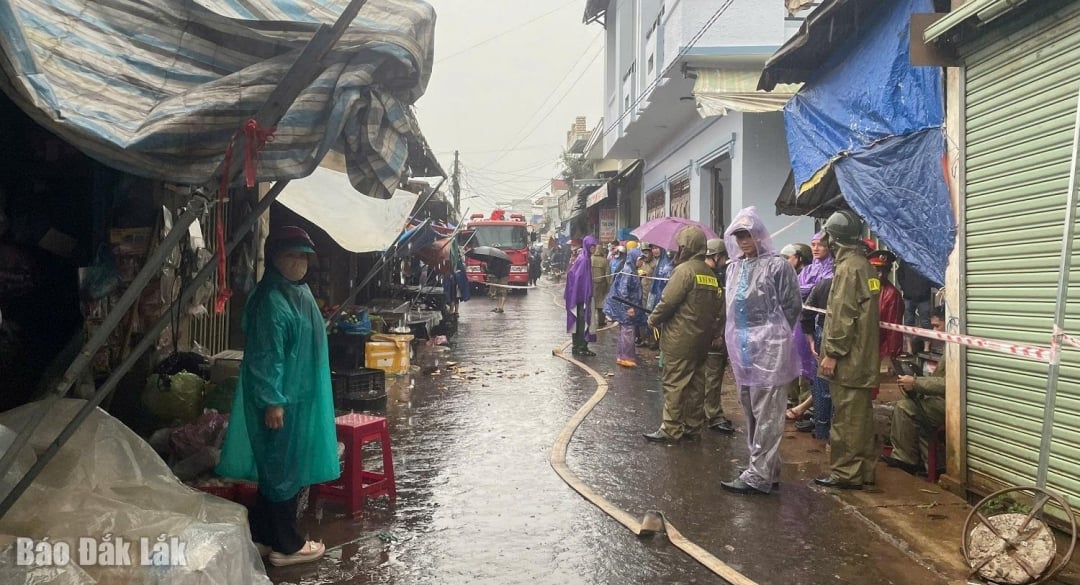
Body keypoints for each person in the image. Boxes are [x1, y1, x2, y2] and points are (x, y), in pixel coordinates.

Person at [217, 226, 338, 567]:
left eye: (304, 256)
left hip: (295, 398)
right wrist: (273, 400)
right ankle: (288, 545)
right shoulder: (272, 299)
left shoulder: (295, 291)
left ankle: (263, 536)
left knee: (279, 470)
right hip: (279, 402)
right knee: (282, 471)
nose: (299, 262)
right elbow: (267, 356)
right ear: (274, 258)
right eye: (292, 255)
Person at [718, 208, 801, 495]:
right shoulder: (733, 268)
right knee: (750, 409)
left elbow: (792, 306)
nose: (743, 240)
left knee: (768, 412)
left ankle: (758, 476)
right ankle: (767, 469)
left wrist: (774, 335)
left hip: (770, 348)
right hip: (742, 348)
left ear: (760, 234)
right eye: (738, 235)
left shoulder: (778, 266)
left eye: (748, 234)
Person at [814, 210, 881, 490]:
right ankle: (863, 471)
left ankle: (846, 474)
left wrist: (832, 352)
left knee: (846, 420)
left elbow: (842, 315)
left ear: (834, 238)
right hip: (864, 357)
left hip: (850, 359)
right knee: (861, 420)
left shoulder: (847, 268)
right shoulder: (865, 266)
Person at [642, 227, 720, 442]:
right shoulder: (710, 274)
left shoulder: (684, 271)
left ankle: (671, 429)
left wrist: (653, 319)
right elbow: (718, 308)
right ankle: (692, 428)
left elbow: (668, 302)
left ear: (687, 247)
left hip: (680, 339)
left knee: (675, 383)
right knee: (696, 385)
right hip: (701, 340)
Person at [883, 308, 947, 473]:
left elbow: (951, 384)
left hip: (948, 404)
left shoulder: (956, 350)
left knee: (905, 408)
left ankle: (906, 458)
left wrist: (917, 383)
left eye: (937, 326)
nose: (933, 331)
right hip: (940, 399)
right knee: (909, 403)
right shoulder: (949, 348)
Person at [703, 238, 734, 433]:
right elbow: (713, 310)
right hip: (714, 336)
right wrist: (717, 335)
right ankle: (713, 415)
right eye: (723, 257)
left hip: (702, 335)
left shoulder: (704, 273)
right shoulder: (711, 277)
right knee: (713, 376)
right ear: (717, 256)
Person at [800, 276, 834, 440]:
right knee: (830, 387)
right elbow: (806, 312)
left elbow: (806, 313)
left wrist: (811, 338)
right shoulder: (827, 285)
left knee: (822, 386)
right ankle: (831, 432)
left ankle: (822, 431)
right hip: (832, 336)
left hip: (822, 334)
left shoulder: (824, 284)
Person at [604, 248, 646, 367]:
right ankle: (626, 358)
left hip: (630, 306)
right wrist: (629, 307)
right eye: (640, 259)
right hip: (628, 307)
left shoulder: (632, 270)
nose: (641, 262)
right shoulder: (628, 271)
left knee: (626, 331)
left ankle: (623, 356)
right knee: (628, 332)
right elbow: (623, 290)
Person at [564, 235, 598, 356]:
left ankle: (579, 346)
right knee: (582, 321)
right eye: (592, 247)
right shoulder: (584, 260)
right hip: (581, 298)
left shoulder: (584, 258)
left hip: (579, 296)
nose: (594, 249)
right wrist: (583, 294)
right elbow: (578, 278)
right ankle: (580, 346)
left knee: (579, 321)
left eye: (595, 247)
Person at [897, 259, 935, 354]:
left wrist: (926, 286)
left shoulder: (923, 258)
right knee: (908, 322)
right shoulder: (905, 260)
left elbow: (930, 274)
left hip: (923, 296)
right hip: (909, 296)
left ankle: (926, 348)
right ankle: (909, 349)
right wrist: (905, 287)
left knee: (926, 322)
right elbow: (900, 275)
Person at [591, 242, 611, 327]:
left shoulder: (590, 259)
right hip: (602, 285)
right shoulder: (605, 260)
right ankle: (601, 321)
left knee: (592, 303)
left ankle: (591, 321)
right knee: (601, 304)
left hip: (591, 284)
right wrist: (609, 285)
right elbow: (608, 274)